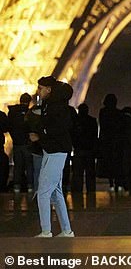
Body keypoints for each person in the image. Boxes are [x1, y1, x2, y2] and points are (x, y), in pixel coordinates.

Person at [29, 76, 75, 237]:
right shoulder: (55, 106)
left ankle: (46, 230)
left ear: (49, 89)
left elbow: (55, 129)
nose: (38, 91)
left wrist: (40, 136)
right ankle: (66, 230)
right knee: (56, 192)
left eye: (40, 88)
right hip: (54, 151)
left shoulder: (55, 108)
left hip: (55, 151)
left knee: (43, 192)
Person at [7, 93, 33, 193]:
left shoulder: (12, 112)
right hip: (28, 144)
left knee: (17, 166)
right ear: (29, 102)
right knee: (29, 166)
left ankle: (16, 187)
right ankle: (30, 187)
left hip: (17, 143)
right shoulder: (30, 112)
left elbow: (9, 126)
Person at [98, 94, 124, 192]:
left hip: (107, 142)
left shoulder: (103, 112)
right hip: (116, 143)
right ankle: (117, 183)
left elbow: (103, 127)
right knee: (117, 164)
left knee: (108, 164)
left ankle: (111, 183)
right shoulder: (119, 113)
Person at [70, 103, 98, 193]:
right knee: (90, 174)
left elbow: (72, 135)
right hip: (90, 150)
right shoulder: (92, 121)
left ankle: (77, 192)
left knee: (78, 174)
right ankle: (91, 191)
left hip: (79, 150)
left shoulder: (75, 122)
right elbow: (94, 136)